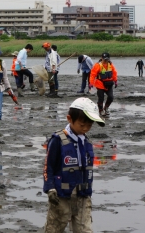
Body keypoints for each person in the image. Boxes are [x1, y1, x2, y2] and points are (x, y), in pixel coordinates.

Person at [43, 97, 105, 232]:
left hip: (83, 195)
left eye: (89, 126)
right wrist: (50, 188)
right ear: (69, 119)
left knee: (84, 229)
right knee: (54, 228)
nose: (85, 129)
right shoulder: (57, 140)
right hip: (61, 196)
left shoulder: (87, 142)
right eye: (82, 125)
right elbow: (49, 166)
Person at [90, 52, 118, 117]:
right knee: (101, 99)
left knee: (111, 97)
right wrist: (91, 83)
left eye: (107, 59)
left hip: (109, 84)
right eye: (104, 59)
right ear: (101, 58)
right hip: (100, 84)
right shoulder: (97, 65)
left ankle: (106, 108)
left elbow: (114, 73)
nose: (105, 60)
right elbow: (92, 75)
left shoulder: (110, 65)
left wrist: (115, 81)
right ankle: (101, 110)